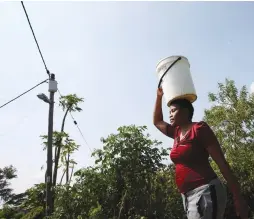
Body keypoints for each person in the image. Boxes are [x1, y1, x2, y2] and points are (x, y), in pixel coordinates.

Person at [153, 87, 248, 219]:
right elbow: (157, 122)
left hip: (206, 192)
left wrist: (238, 197)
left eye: (173, 111)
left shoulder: (199, 129)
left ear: (186, 112)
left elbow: (221, 162)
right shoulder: (176, 133)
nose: (170, 114)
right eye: (169, 111)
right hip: (187, 196)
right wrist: (159, 97)